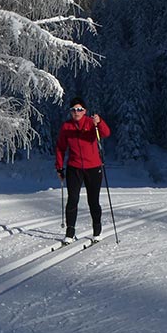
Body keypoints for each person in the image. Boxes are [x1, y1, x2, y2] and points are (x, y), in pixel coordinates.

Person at [55, 96, 111, 242]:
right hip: (74, 168)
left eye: (79, 109)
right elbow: (61, 148)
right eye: (73, 110)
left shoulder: (91, 123)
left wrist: (100, 122)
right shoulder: (66, 126)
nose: (76, 112)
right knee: (72, 199)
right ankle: (70, 233)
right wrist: (59, 167)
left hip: (93, 167)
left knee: (93, 200)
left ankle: (97, 230)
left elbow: (106, 133)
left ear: (84, 111)